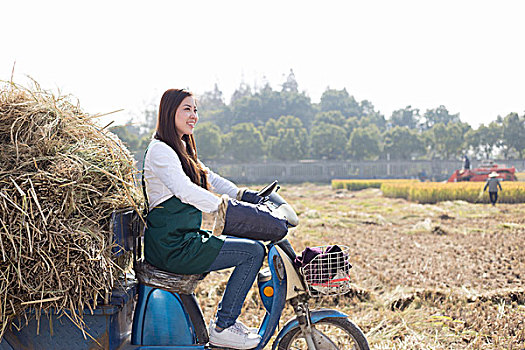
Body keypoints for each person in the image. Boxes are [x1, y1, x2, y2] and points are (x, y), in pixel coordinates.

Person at [142, 89, 288, 349]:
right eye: (187, 109)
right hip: (172, 246)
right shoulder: (160, 152)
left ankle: (225, 324)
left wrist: (243, 195)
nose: (194, 115)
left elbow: (209, 177)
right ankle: (223, 326)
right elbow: (184, 191)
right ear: (169, 112)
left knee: (249, 245)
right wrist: (226, 207)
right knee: (252, 252)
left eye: (195, 109)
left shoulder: (181, 147)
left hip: (185, 239)